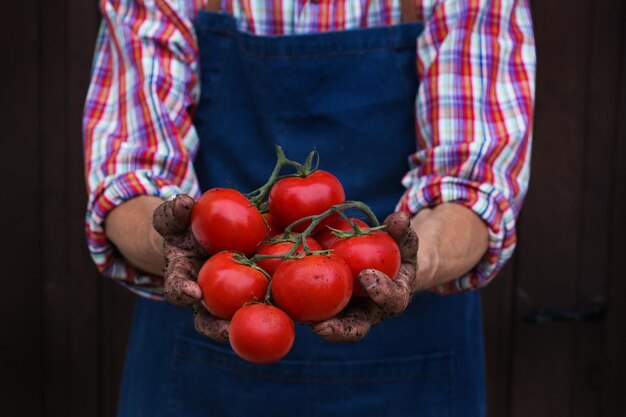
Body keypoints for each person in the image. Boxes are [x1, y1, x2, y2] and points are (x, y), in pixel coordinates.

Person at [83, 0, 535, 415]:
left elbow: (472, 190)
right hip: (200, 361)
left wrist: (417, 258)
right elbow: (128, 176)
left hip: (415, 365)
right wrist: (175, 242)